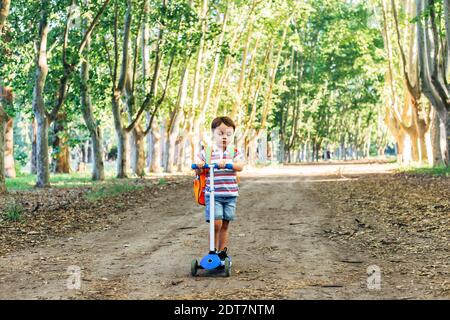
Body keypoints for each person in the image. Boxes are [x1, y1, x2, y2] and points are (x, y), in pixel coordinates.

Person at [194, 116, 245, 260]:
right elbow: (198, 167)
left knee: (225, 224)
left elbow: (240, 166)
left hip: (230, 194)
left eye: (228, 134)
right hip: (213, 194)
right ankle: (213, 252)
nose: (224, 137)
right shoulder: (207, 152)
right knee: (216, 223)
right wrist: (198, 165)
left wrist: (229, 164)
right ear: (213, 133)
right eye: (220, 133)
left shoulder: (234, 152)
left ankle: (222, 253)